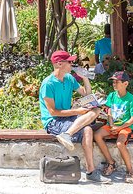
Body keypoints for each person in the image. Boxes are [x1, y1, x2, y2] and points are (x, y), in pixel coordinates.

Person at [39, 50, 110, 183]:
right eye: (69, 61)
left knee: (92, 116)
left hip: (68, 119)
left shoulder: (69, 79)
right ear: (59, 64)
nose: (72, 64)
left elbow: (87, 96)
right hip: (53, 121)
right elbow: (53, 112)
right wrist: (78, 111)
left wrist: (85, 77)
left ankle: (91, 171)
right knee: (90, 119)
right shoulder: (48, 84)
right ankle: (67, 134)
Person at [93, 71, 133, 184]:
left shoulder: (131, 99)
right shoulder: (112, 96)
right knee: (97, 135)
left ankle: (130, 171)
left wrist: (119, 128)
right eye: (113, 82)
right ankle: (111, 162)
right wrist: (112, 125)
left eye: (117, 82)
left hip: (125, 127)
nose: (114, 84)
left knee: (120, 144)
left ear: (125, 84)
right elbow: (109, 111)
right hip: (113, 125)